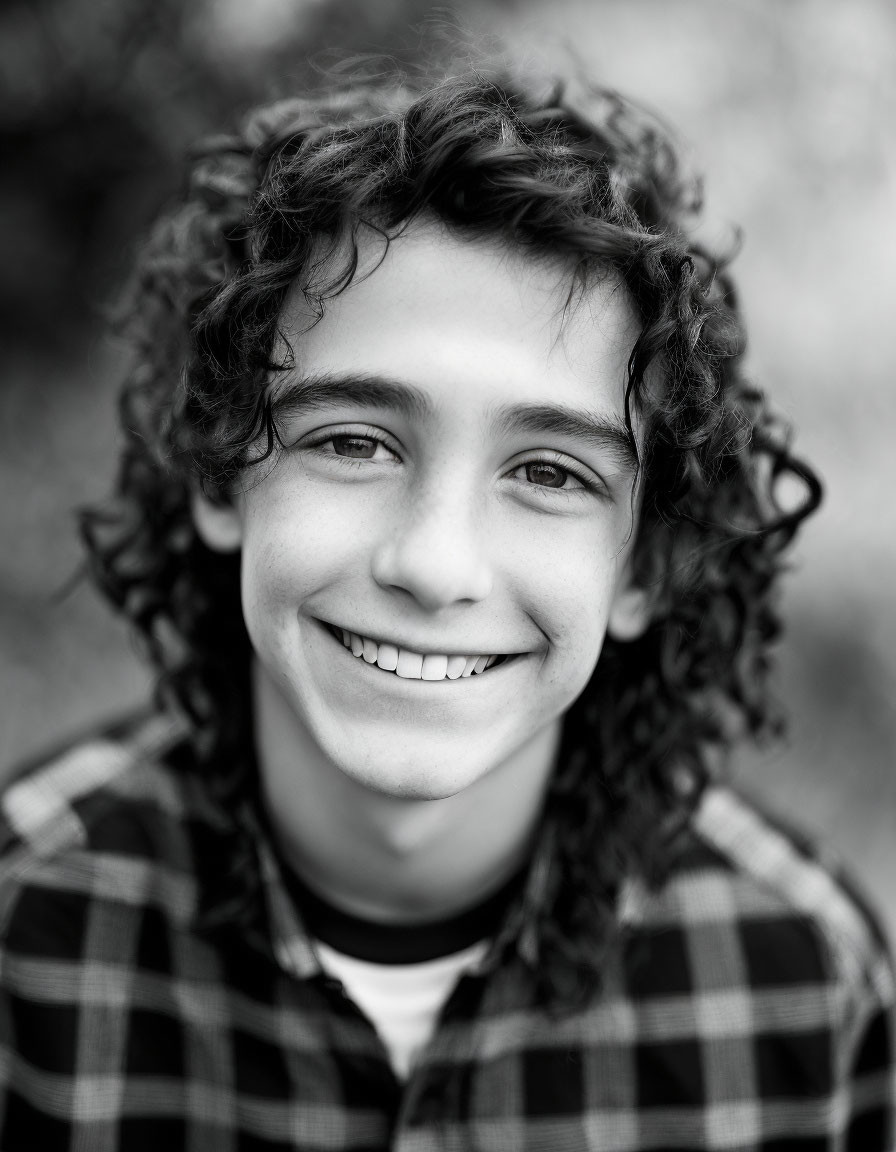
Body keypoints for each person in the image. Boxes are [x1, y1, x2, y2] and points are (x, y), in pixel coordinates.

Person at [0, 59, 892, 1151]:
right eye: (353, 442)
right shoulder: (22, 939)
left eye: (551, 473)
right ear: (220, 475)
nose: (434, 564)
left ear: (644, 567)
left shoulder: (803, 980)